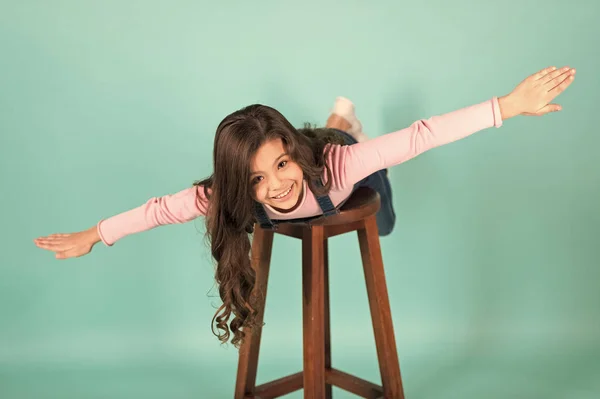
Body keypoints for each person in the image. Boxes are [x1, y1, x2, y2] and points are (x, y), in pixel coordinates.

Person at [34, 65, 576, 347]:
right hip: (314, 148)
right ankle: (336, 117)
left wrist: (508, 105)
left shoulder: (334, 168)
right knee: (328, 132)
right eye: (255, 180)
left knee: (370, 199)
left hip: (336, 161)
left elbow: (421, 134)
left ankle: (339, 122)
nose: (274, 187)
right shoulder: (228, 197)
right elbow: (157, 210)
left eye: (281, 166)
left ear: (293, 156)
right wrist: (95, 233)